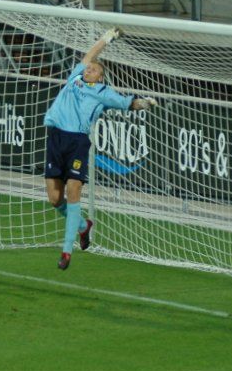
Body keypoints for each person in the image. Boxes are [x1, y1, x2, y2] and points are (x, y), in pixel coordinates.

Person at [44, 27, 157, 270]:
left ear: (100, 77)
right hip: (56, 139)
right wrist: (107, 37)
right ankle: (84, 227)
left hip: (77, 143)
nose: (88, 69)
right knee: (54, 199)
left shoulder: (105, 94)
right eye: (88, 68)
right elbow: (89, 54)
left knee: (73, 189)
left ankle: (66, 252)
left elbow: (129, 103)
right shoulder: (75, 78)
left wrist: (146, 103)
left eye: (94, 69)